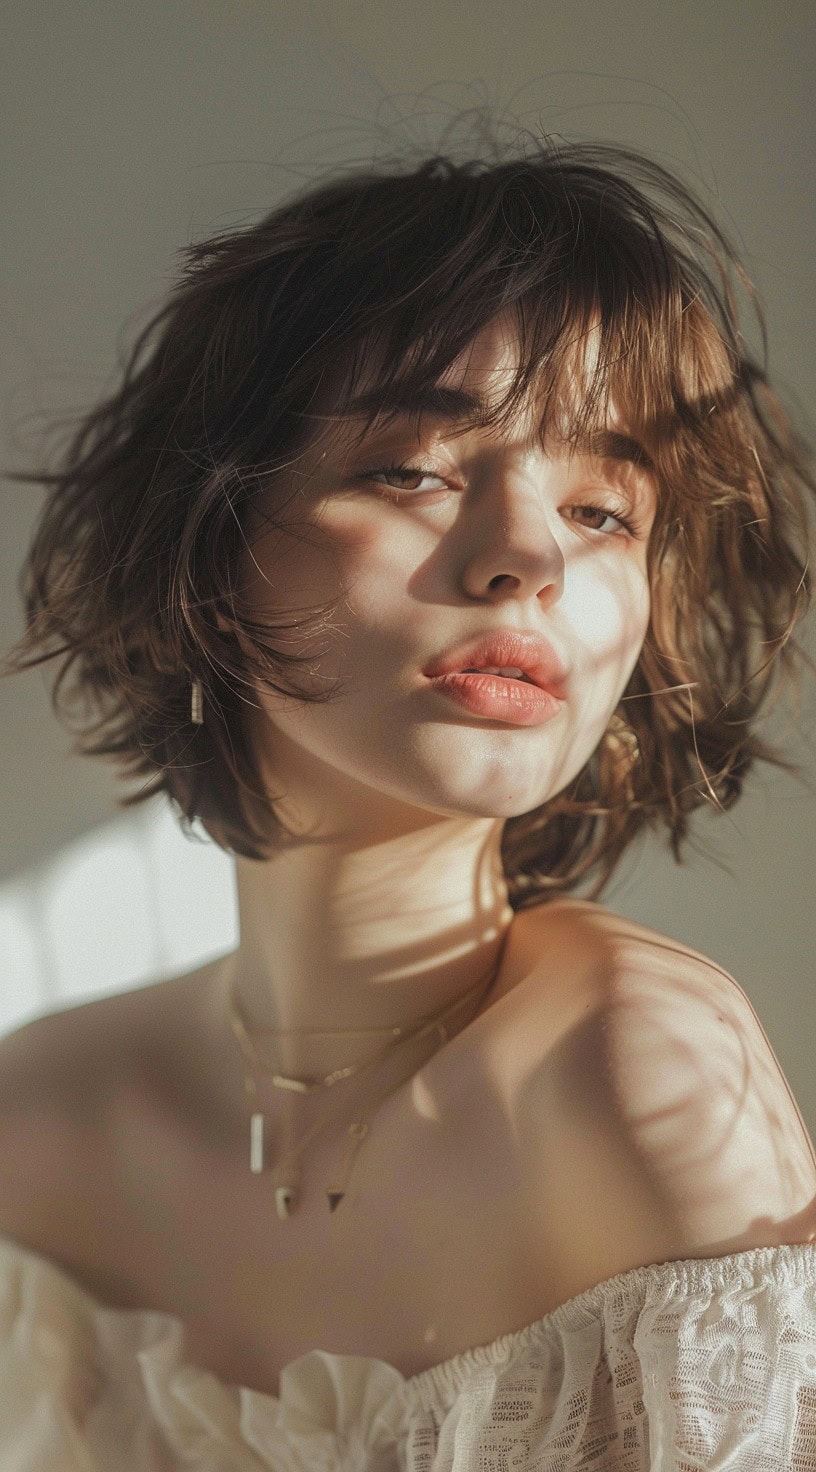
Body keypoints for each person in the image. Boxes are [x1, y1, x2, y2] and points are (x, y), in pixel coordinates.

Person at [1, 127, 816, 1469]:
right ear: (210, 546)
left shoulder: (628, 1064)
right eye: (416, 470)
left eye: (605, 509)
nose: (526, 560)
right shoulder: (44, 1116)